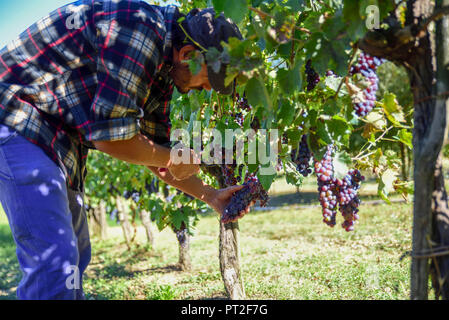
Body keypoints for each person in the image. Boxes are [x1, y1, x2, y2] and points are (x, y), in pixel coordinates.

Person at [0, 0, 252, 300]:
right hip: (17, 116)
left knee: (77, 254)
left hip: (58, 137)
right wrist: (173, 157)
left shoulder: (164, 73)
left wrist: (210, 196)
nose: (208, 90)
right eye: (210, 80)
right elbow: (113, 140)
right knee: (55, 267)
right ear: (188, 55)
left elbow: (150, 153)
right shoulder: (140, 28)